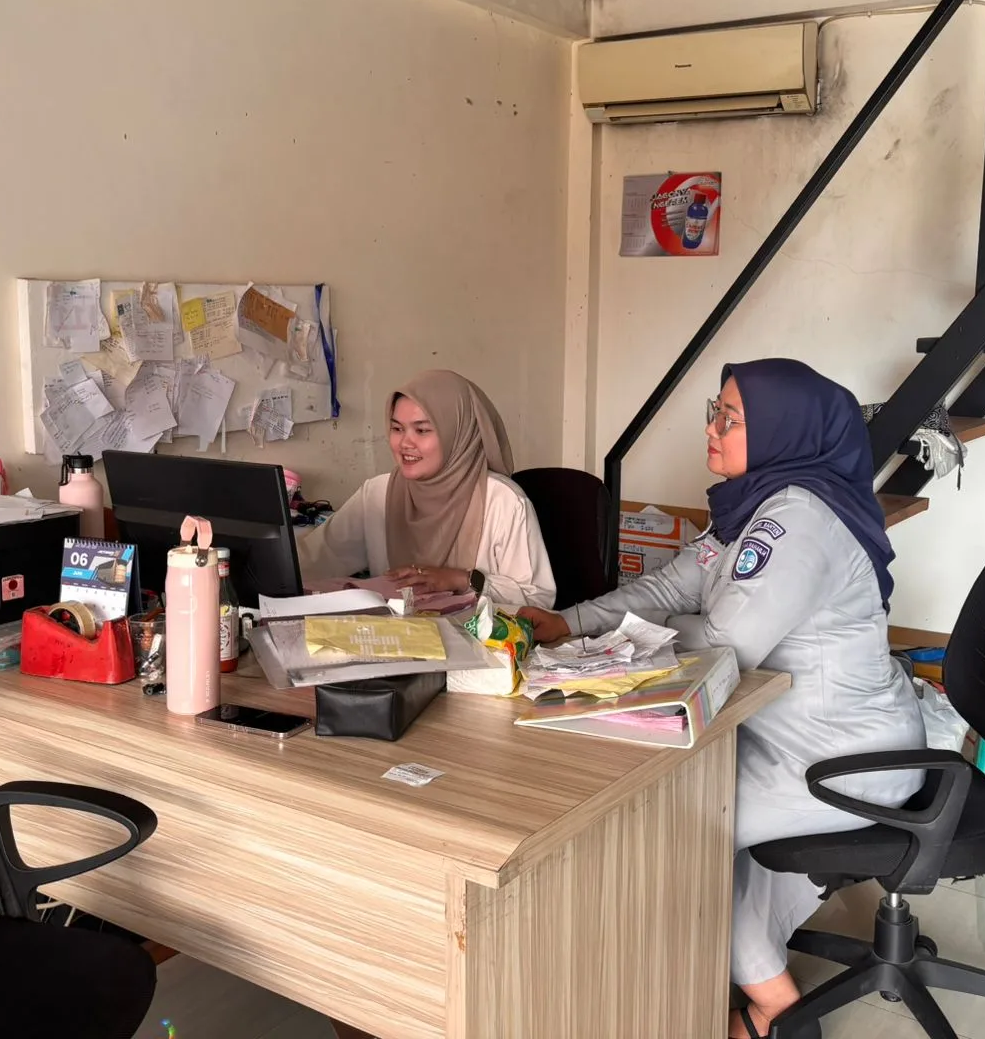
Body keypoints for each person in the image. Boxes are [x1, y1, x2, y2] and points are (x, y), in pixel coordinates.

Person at [518, 359, 924, 1039]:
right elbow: (669, 587)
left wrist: (615, 643)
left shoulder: (799, 518)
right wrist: (571, 623)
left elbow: (722, 645)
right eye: (715, 411)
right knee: (684, 822)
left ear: (783, 428)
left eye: (729, 418)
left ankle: (734, 1009)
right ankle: (775, 1005)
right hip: (786, 741)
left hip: (844, 761)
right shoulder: (756, 503)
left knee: (665, 827)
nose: (711, 428)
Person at [298, 369, 556, 610]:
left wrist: (462, 580)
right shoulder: (378, 493)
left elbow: (538, 600)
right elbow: (311, 562)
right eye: (397, 429)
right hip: (394, 637)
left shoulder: (503, 501)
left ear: (458, 433)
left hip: (477, 640)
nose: (404, 443)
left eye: (421, 430)